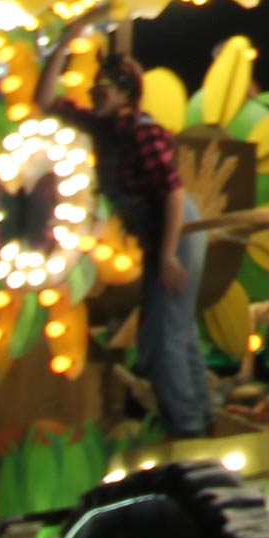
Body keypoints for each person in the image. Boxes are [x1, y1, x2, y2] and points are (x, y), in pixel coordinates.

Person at [44, 62, 210, 441]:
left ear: (125, 95)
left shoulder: (142, 132)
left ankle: (188, 429)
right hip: (156, 235)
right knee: (168, 331)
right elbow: (45, 100)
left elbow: (173, 194)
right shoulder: (105, 128)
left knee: (165, 335)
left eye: (104, 91)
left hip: (176, 229)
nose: (96, 97)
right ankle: (198, 419)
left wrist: (168, 255)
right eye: (94, 91)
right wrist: (65, 43)